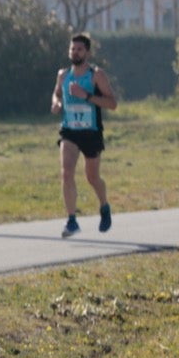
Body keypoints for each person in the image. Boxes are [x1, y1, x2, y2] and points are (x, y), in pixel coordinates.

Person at [50, 33, 118, 238]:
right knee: (66, 172)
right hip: (69, 130)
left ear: (87, 52)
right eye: (72, 49)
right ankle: (72, 221)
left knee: (92, 177)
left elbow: (112, 104)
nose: (75, 52)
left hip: (91, 131)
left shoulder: (97, 75)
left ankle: (104, 206)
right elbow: (57, 93)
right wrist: (56, 103)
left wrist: (86, 96)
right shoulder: (63, 75)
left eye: (79, 49)